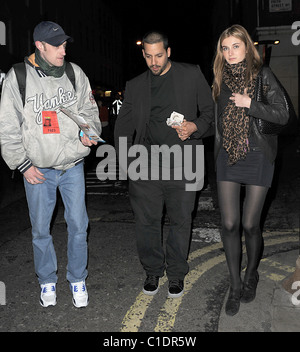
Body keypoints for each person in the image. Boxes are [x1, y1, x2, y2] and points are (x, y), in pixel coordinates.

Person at [0, 21, 101, 308]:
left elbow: (89, 110)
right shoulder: (18, 77)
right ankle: (47, 281)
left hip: (72, 165)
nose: (63, 50)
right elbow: (7, 127)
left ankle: (77, 278)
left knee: (79, 225)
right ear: (39, 46)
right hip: (38, 169)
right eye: (56, 45)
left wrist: (88, 132)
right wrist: (22, 164)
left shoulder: (74, 72)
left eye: (64, 44)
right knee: (41, 229)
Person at [114, 31, 214, 298]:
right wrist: (126, 165)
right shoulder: (135, 85)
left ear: (168, 52)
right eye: (148, 56)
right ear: (143, 54)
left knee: (181, 220)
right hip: (145, 165)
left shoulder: (191, 74)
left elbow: (210, 112)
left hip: (184, 163)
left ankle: (177, 274)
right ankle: (152, 270)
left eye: (159, 55)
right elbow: (122, 127)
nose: (154, 61)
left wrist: (195, 127)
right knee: (147, 223)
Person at [212, 25, 289, 315]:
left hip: (257, 154)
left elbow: (283, 114)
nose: (230, 53)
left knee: (249, 224)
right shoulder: (219, 78)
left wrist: (251, 104)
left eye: (235, 46)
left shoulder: (262, 75)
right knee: (229, 224)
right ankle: (234, 285)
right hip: (228, 156)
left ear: (247, 47)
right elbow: (218, 120)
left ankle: (251, 274)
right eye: (225, 47)